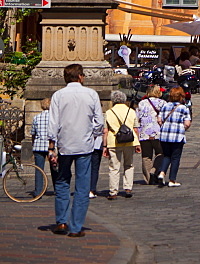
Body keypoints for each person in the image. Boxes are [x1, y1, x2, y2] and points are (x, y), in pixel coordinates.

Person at [47, 62, 104, 237]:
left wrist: (51, 146)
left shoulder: (58, 95)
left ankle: (62, 221)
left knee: (62, 182)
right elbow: (99, 122)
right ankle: (76, 226)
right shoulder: (91, 94)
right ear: (80, 76)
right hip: (84, 145)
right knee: (82, 186)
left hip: (64, 145)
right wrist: (92, 134)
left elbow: (53, 122)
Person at [103, 89, 140, 199]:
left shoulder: (109, 112)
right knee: (129, 165)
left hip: (113, 141)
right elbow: (135, 129)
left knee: (114, 167)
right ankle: (128, 187)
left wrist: (104, 146)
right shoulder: (131, 111)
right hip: (129, 141)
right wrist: (137, 144)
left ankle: (113, 191)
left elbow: (105, 131)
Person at [157, 86, 192, 187]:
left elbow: (159, 120)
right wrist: (182, 129)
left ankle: (162, 172)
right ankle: (172, 180)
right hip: (177, 136)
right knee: (175, 158)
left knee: (166, 155)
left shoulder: (165, 106)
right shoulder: (183, 108)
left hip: (164, 136)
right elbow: (187, 123)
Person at [136, 84, 165, 184]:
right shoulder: (162, 103)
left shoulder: (142, 103)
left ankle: (148, 179)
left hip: (144, 132)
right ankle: (154, 171)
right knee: (161, 153)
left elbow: (137, 118)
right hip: (158, 133)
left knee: (146, 156)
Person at [31, 97, 57, 194]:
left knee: (39, 169)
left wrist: (33, 144)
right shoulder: (54, 118)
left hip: (39, 145)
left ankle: (38, 191)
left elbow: (33, 133)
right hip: (51, 145)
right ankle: (57, 189)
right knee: (54, 168)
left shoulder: (36, 117)